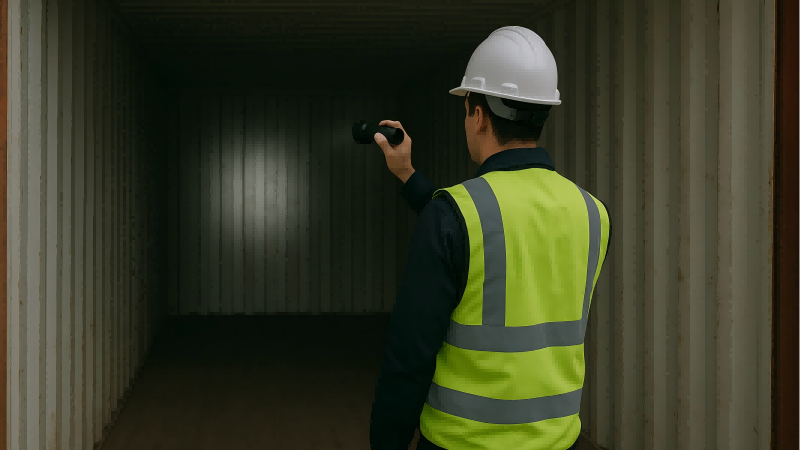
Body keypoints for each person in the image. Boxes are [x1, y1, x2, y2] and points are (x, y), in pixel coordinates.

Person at [368, 26, 612, 450]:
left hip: (463, 441)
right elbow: (494, 234)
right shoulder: (592, 212)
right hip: (558, 441)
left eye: (466, 108)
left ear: (478, 114)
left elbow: (410, 355)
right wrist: (408, 175)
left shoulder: (455, 214)